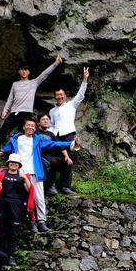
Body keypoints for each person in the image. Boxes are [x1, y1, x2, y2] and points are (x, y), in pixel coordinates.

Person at [0, 117, 76, 233]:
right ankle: (30, 220)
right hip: (19, 173)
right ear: (24, 127)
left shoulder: (38, 140)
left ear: (35, 128)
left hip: (35, 172)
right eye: (28, 125)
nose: (30, 127)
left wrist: (71, 143)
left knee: (39, 197)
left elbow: (54, 144)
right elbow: (6, 150)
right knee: (22, 198)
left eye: (33, 126)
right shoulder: (16, 139)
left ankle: (41, 221)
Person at [0, 56, 63, 150]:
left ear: (29, 72)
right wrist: (5, 111)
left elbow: (45, 74)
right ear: (19, 71)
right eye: (22, 70)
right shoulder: (15, 84)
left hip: (27, 113)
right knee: (3, 130)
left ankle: (28, 154)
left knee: (28, 134)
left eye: (26, 70)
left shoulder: (34, 82)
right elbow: (10, 99)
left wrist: (56, 63)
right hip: (15, 112)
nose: (24, 72)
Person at [49, 66, 90, 194]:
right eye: (57, 95)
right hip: (56, 136)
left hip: (68, 135)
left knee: (68, 160)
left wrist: (84, 79)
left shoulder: (71, 105)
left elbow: (80, 95)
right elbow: (52, 125)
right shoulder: (52, 110)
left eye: (61, 95)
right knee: (54, 160)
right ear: (55, 97)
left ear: (65, 96)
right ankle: (52, 186)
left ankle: (65, 186)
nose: (59, 97)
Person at [0, 153, 32, 251]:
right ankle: (1, 252)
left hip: (16, 204)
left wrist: (25, 178)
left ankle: (11, 253)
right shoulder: (1, 174)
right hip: (2, 203)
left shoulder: (22, 176)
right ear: (8, 163)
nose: (14, 164)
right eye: (12, 162)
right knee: (0, 228)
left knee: (14, 228)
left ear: (19, 165)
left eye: (16, 163)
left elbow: (29, 190)